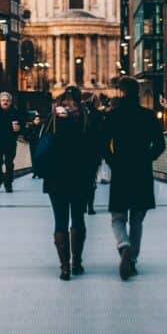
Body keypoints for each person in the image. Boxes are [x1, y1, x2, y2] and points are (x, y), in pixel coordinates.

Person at [105, 77, 166, 280]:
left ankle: (124, 246)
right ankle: (132, 260)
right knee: (137, 218)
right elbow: (160, 145)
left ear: (121, 93)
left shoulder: (113, 116)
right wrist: (147, 158)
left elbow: (103, 143)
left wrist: (113, 161)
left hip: (121, 170)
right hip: (141, 170)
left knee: (117, 217)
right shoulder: (148, 116)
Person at [42, 86, 101, 280]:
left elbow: (41, 146)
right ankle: (77, 262)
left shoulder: (52, 121)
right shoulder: (86, 120)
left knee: (60, 221)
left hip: (55, 179)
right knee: (78, 219)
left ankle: (64, 268)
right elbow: (95, 151)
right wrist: (92, 174)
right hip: (80, 178)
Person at [23, 112, 45, 179]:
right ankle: (35, 172)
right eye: (36, 119)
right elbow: (25, 136)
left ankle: (39, 172)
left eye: (38, 119)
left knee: (39, 158)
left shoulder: (42, 127)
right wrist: (29, 139)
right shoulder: (30, 127)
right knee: (33, 158)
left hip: (40, 145)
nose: (37, 121)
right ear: (33, 120)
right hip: (33, 144)